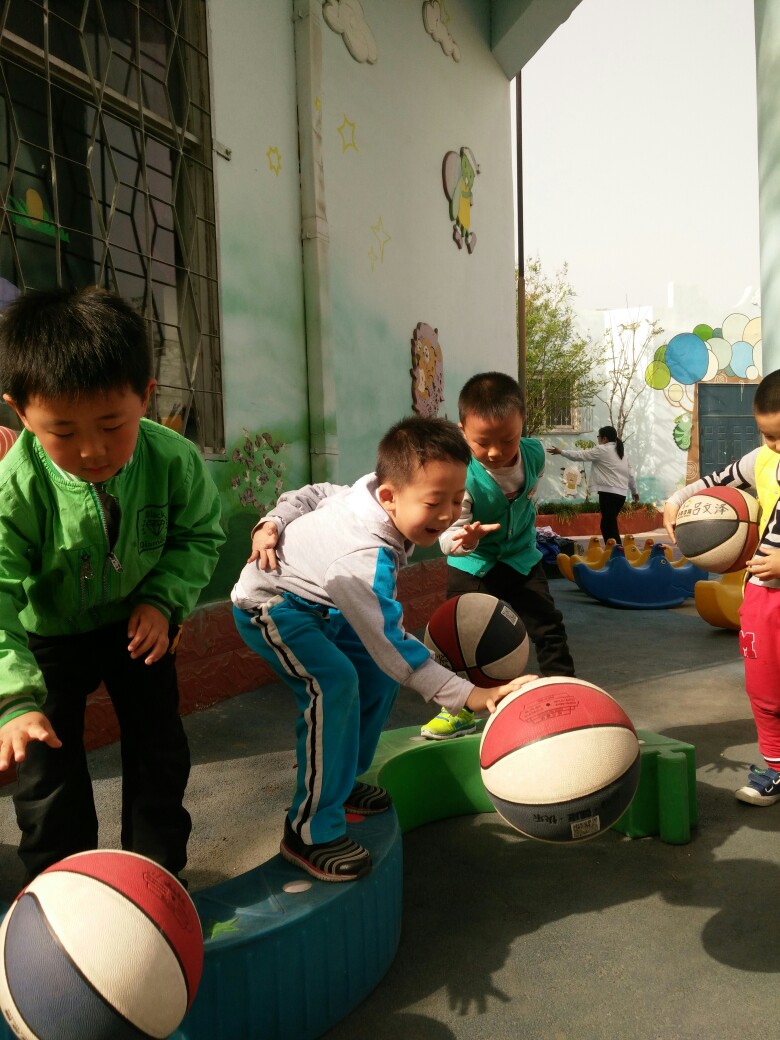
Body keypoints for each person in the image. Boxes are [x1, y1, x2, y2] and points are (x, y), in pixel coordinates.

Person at [231, 415, 537, 882]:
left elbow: (314, 492)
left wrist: (451, 538)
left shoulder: (369, 492)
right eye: (435, 502)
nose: (448, 512)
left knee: (375, 676)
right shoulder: (363, 557)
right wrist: (468, 694)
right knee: (333, 686)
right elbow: (392, 644)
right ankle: (308, 831)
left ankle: (341, 783)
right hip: (272, 605)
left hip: (322, 603)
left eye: (456, 499)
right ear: (391, 496)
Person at [0, 286, 225, 882]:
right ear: (20, 413)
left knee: (159, 749)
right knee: (46, 767)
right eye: (62, 431)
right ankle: (62, 886)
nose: (93, 450)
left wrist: (163, 601)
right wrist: (13, 702)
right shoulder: (14, 488)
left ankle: (155, 876)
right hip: (47, 635)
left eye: (111, 424)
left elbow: (199, 535)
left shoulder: (173, 460)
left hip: (137, 625)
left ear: (145, 397)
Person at [420, 371, 575, 741]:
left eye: (507, 440)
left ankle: (566, 700)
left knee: (548, 627)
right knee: (459, 639)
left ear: (522, 423)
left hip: (522, 558)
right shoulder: (459, 474)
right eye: (482, 442)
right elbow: (447, 538)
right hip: (472, 565)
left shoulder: (535, 454)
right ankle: (457, 711)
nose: (495, 451)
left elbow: (528, 494)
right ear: (462, 431)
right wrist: (466, 540)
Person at [664, 369, 780, 807]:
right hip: (764, 596)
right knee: (764, 691)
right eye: (767, 434)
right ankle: (776, 768)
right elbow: (713, 483)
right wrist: (676, 502)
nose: (774, 445)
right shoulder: (763, 460)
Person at [547, 426, 639, 546]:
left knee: (608, 525)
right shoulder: (622, 453)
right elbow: (630, 474)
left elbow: (580, 455)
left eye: (598, 437)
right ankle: (615, 550)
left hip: (608, 494)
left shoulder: (602, 450)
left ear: (604, 439)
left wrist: (561, 452)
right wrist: (634, 491)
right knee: (608, 524)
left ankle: (617, 551)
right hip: (621, 495)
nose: (598, 439)